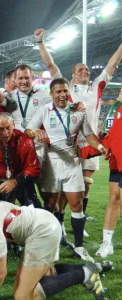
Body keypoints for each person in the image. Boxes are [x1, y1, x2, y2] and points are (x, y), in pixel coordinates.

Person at [0, 200, 107, 300]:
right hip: (38, 223)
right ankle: (94, 268)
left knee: (24, 296)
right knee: (46, 276)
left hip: (42, 230)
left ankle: (84, 274)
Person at [34, 28, 122, 221]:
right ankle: (62, 216)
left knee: (87, 183)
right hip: (69, 143)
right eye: (80, 70)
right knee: (69, 185)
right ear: (73, 75)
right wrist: (40, 42)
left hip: (91, 142)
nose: (85, 71)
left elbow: (113, 64)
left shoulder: (97, 86)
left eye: (87, 70)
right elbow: (50, 65)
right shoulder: (65, 88)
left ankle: (80, 215)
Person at [25, 78, 109, 262]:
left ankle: (79, 246)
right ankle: (52, 245)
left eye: (65, 91)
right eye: (58, 92)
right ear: (51, 94)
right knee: (50, 206)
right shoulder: (44, 111)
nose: (62, 95)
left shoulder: (78, 112)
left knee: (77, 205)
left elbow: (89, 135)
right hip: (50, 165)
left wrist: (101, 147)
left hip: (72, 163)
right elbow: (28, 130)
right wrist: (36, 133)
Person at [0, 112, 41, 207]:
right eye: (1, 129)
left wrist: (15, 181)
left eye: (8, 128)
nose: (5, 133)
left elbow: (33, 169)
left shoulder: (25, 141)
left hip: (20, 180)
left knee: (34, 209)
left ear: (13, 124)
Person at [96, 89, 122, 257]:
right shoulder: (118, 108)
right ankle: (107, 243)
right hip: (117, 160)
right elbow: (114, 134)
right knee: (114, 198)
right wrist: (107, 145)